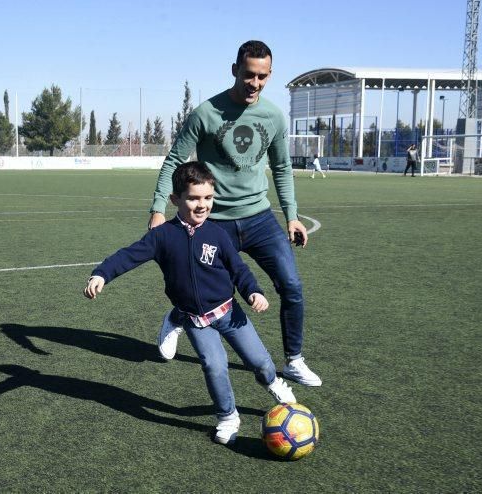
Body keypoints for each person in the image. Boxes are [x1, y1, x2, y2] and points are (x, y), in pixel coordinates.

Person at [148, 40, 322, 387]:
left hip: (259, 218)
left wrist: (292, 215)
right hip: (213, 223)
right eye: (248, 75)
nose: (254, 83)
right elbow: (174, 160)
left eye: (261, 77)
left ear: (269, 75)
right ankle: (177, 316)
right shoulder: (206, 113)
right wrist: (157, 208)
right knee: (202, 290)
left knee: (292, 285)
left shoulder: (272, 116)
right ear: (235, 71)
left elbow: (283, 167)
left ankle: (294, 360)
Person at [85, 162, 297, 445]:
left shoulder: (218, 234)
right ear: (175, 200)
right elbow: (128, 255)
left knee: (259, 362)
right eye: (194, 198)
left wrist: (253, 292)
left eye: (208, 198)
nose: (202, 205)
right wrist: (101, 273)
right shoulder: (162, 236)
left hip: (229, 312)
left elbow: (239, 270)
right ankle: (227, 416)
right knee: (214, 365)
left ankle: (273, 383)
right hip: (195, 319)